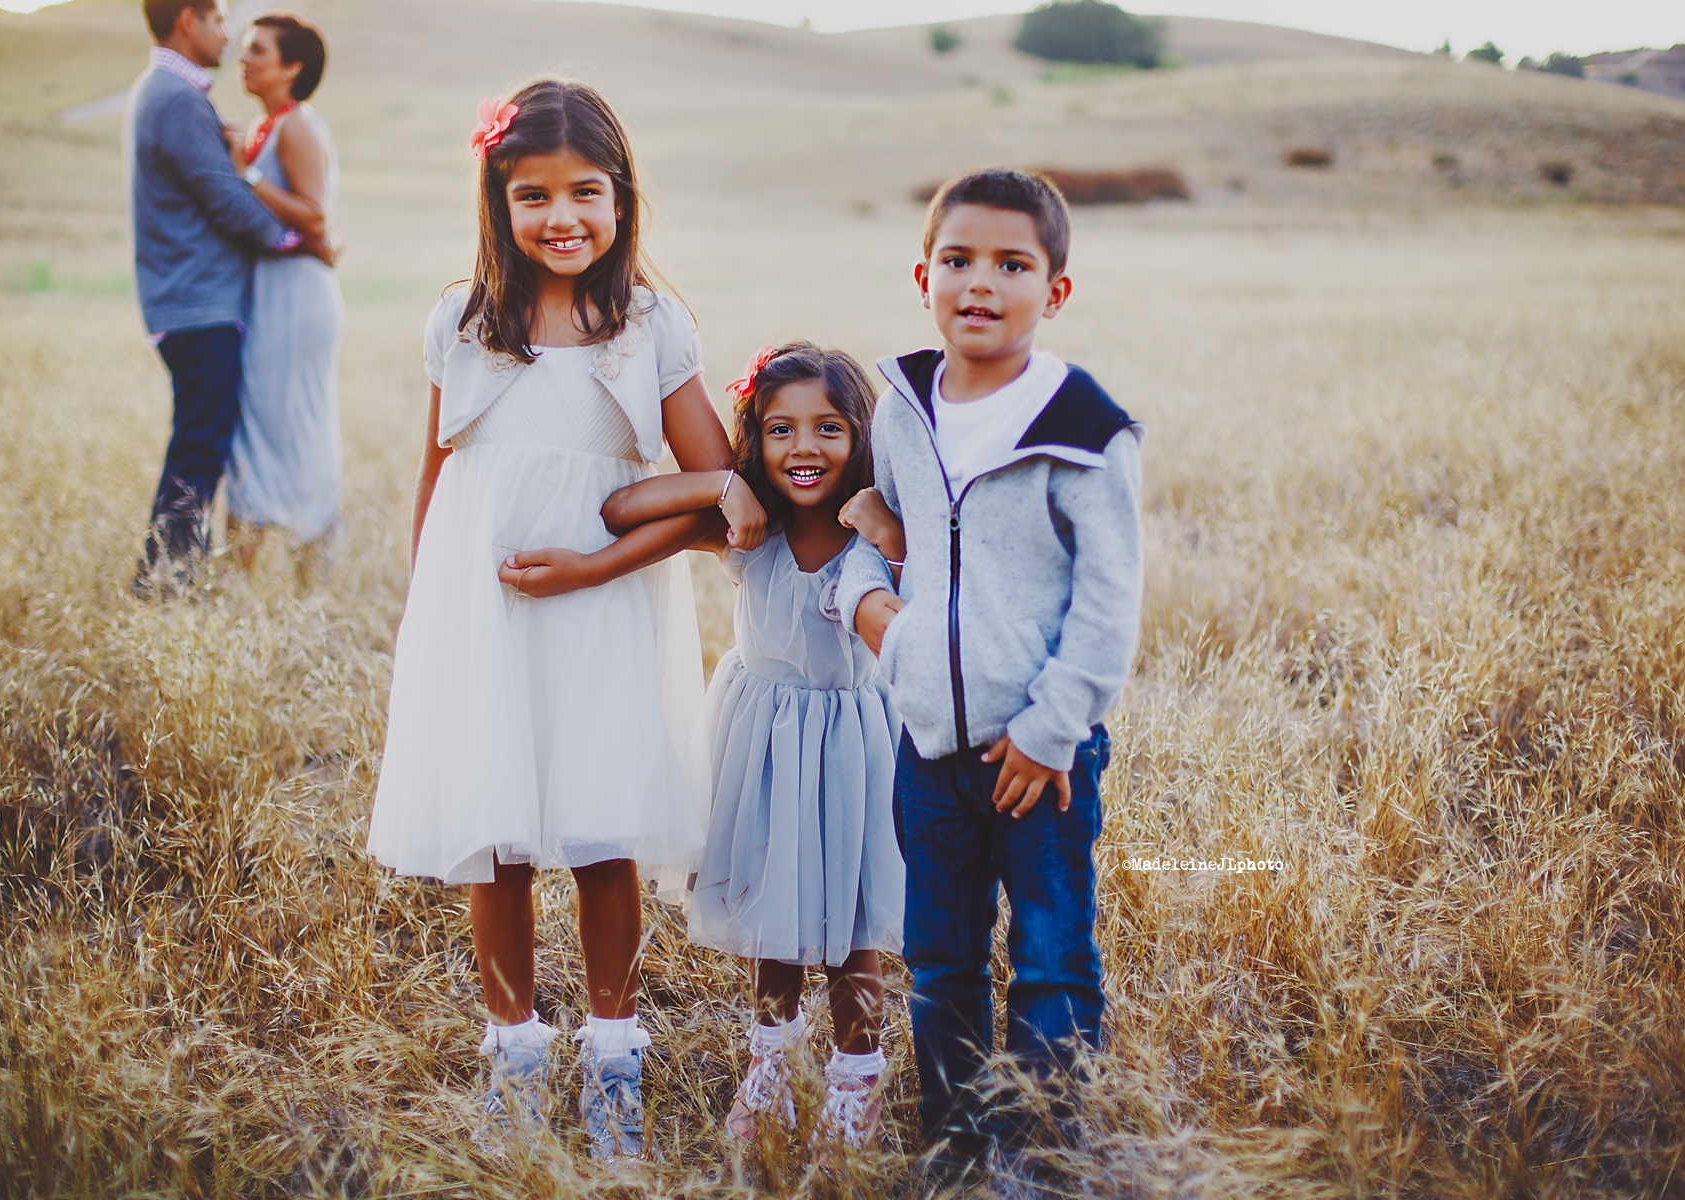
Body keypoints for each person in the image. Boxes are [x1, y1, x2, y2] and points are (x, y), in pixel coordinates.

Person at [364, 79, 768, 1163]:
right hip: (480, 606)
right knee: (490, 834)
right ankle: (511, 1047)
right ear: (497, 201)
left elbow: (721, 492)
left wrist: (599, 561)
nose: (560, 218)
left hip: (602, 609)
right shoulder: (461, 318)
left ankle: (615, 1046)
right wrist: (426, 605)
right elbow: (438, 472)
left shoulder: (646, 323)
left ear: (623, 196)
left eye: (584, 192)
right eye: (530, 194)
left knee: (600, 828)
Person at [833, 167, 1145, 1178]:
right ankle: (958, 1146)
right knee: (942, 963)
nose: (981, 283)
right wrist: (873, 610)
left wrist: (1052, 729)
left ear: (1054, 291)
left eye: (1012, 265)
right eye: (960, 261)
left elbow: (1109, 603)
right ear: (924, 273)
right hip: (927, 749)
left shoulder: (1085, 429)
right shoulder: (903, 409)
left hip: (1038, 758)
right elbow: (876, 530)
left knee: (1053, 964)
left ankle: (1041, 1153)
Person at [599, 343, 905, 1153]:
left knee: (850, 931)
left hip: (849, 749)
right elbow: (623, 508)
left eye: (828, 428)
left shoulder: (874, 539)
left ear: (861, 437)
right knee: (773, 917)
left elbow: (944, 583)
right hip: (761, 744)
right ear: (755, 440)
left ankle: (855, 1078)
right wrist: (721, 487)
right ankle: (769, 1062)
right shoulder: (751, 532)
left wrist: (894, 535)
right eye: (780, 430)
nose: (804, 448)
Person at [125, 0, 326, 595]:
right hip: (197, 304)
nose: (226, 34)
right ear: (189, 19)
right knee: (201, 443)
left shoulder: (162, 91)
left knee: (200, 438)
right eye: (218, 21)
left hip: (188, 300)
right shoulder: (176, 97)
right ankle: (167, 578)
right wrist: (303, 243)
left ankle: (167, 573)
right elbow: (224, 198)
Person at [224, 11, 344, 590]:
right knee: (265, 424)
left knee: (288, 426)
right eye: (244, 49)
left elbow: (315, 213)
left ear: (291, 67)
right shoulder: (266, 123)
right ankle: (253, 569)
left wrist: (246, 176)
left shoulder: (296, 125)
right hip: (275, 293)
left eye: (258, 51)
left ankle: (305, 570)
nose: (243, 59)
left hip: (297, 297)